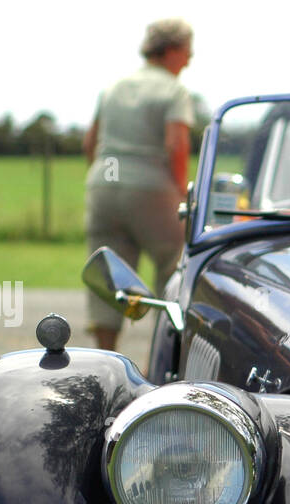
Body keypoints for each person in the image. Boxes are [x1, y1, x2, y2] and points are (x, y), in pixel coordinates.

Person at [84, 17, 193, 351]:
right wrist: (180, 194)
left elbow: (91, 142)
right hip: (152, 187)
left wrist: (109, 177)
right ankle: (158, 362)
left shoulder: (113, 86)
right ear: (172, 50)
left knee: (109, 274)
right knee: (172, 268)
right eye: (188, 51)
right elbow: (176, 145)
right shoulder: (174, 90)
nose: (190, 59)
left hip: (104, 182)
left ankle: (106, 359)